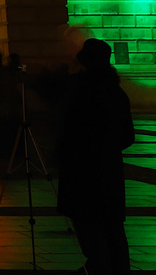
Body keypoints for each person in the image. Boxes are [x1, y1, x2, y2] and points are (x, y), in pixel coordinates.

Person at [57, 39, 136, 275]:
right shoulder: (117, 92)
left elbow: (66, 128)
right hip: (109, 173)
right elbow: (128, 136)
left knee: (92, 235)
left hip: (82, 174)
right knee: (114, 232)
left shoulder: (79, 90)